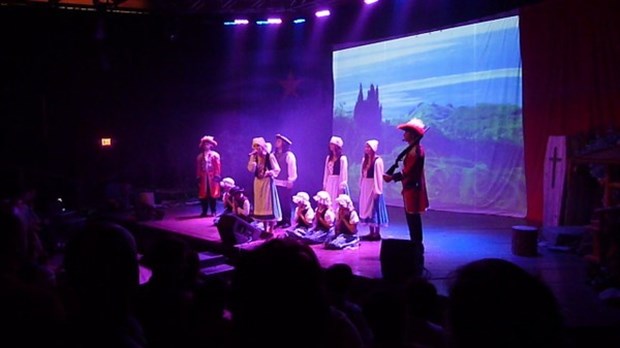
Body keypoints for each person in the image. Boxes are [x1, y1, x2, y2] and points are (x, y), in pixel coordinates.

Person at [383, 118, 429, 274]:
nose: (404, 134)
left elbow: (408, 171)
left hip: (413, 189)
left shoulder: (417, 151)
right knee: (412, 219)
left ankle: (417, 248)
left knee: (413, 220)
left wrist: (392, 177)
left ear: (413, 134)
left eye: (407, 132)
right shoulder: (413, 149)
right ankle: (415, 247)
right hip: (409, 189)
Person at [248, 137, 282, 237]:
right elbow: (250, 169)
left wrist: (269, 172)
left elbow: (277, 169)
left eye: (257, 146)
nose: (256, 148)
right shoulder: (254, 157)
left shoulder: (269, 156)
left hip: (267, 182)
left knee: (268, 204)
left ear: (262, 146)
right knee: (260, 204)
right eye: (254, 146)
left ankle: (271, 229)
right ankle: (264, 227)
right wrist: (253, 161)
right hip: (258, 182)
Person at [358, 139, 389, 241]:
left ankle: (377, 233)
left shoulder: (377, 161)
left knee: (374, 208)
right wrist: (361, 186)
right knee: (367, 207)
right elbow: (362, 175)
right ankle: (371, 232)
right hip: (366, 186)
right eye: (366, 147)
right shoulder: (365, 160)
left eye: (369, 147)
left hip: (373, 186)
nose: (366, 149)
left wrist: (377, 190)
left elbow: (378, 176)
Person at [274, 134, 298, 228]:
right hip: (276, 182)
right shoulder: (274, 154)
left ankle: (287, 220)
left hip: (285, 182)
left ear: (283, 143)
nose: (276, 143)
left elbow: (292, 169)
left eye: (279, 141)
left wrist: (291, 180)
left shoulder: (289, 155)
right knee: (278, 202)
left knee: (285, 202)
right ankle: (280, 220)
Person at [196, 135, 221, 217]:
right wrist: (198, 176)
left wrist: (217, 175)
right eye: (204, 144)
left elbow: (217, 166)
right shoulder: (200, 156)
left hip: (212, 177)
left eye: (207, 144)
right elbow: (198, 167)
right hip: (203, 178)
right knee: (203, 195)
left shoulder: (215, 155)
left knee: (212, 194)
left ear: (211, 145)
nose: (206, 145)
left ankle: (213, 211)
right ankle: (204, 211)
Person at [323, 136, 349, 212]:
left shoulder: (342, 158)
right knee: (329, 199)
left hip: (337, 181)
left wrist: (341, 186)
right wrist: (325, 184)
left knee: (336, 200)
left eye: (332, 144)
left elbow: (343, 173)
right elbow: (326, 172)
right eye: (330, 144)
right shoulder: (329, 158)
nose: (330, 146)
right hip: (330, 181)